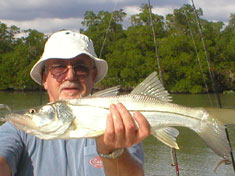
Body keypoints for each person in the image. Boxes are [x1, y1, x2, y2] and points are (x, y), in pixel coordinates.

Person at [0, 30, 150, 176]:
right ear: (45, 78)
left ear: (93, 76)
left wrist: (111, 152)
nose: (70, 76)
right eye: (59, 68)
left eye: (81, 68)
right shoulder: (18, 129)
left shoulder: (120, 122)